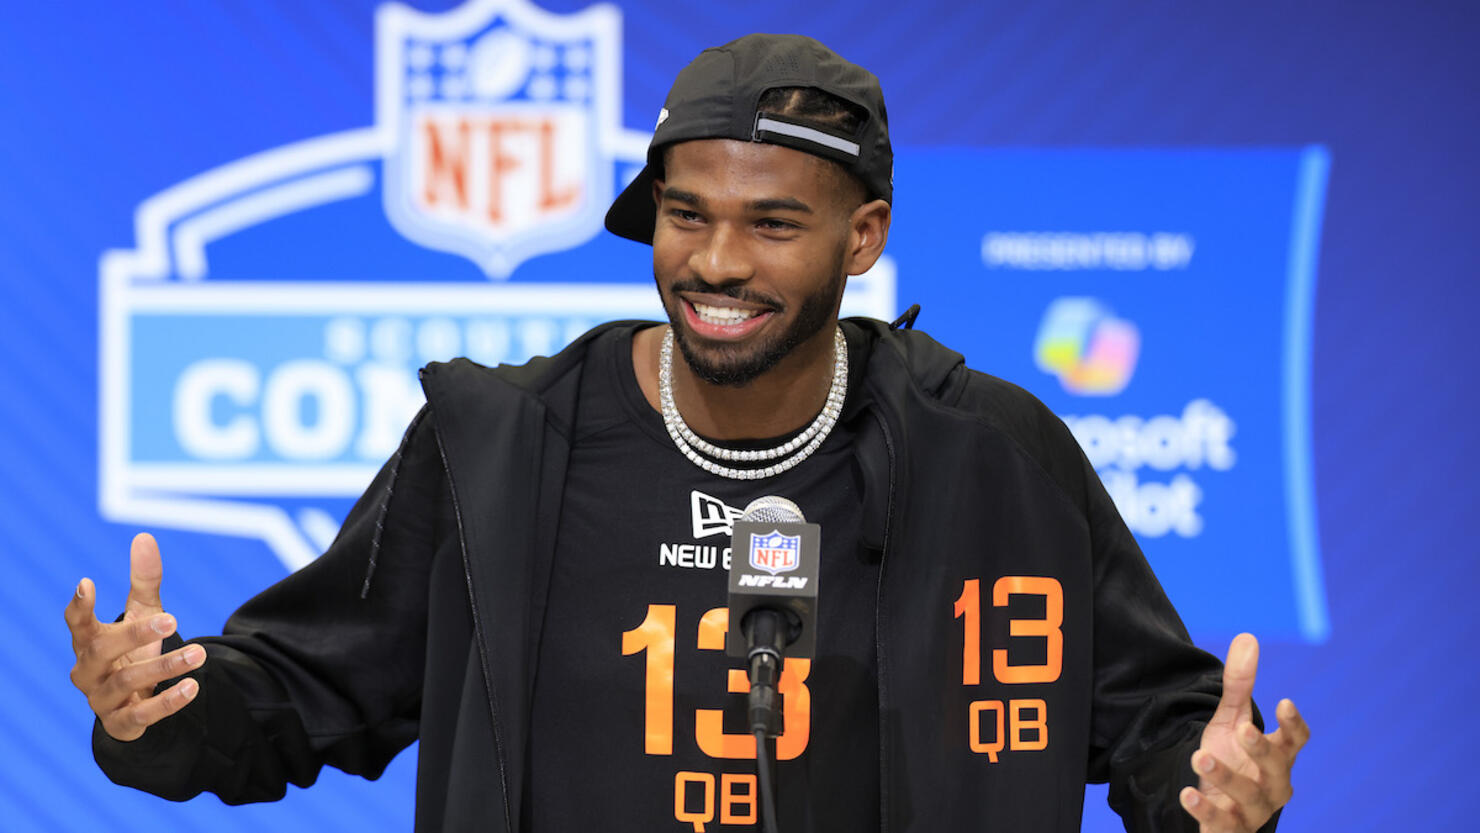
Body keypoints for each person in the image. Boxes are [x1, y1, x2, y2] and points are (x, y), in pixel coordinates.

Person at [65, 33, 1306, 833]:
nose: (715, 261)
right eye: (684, 214)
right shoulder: (496, 447)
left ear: (863, 237)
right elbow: (300, 691)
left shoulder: (993, 452)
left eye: (773, 223)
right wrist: (157, 708)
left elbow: (1157, 722)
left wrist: (1215, 788)